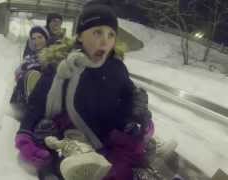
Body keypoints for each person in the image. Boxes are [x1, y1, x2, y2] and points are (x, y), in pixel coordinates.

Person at [14, 4, 154, 180]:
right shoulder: (61, 67)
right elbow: (36, 105)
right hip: (69, 139)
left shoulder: (116, 68)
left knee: (121, 168)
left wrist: (138, 112)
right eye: (97, 32)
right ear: (80, 35)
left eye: (111, 35)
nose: (105, 41)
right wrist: (25, 135)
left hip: (106, 138)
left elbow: (125, 101)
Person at [10, 25, 50, 119]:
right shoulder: (30, 58)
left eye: (40, 37)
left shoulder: (52, 56)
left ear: (46, 38)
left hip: (44, 102)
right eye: (33, 38)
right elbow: (17, 76)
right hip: (25, 102)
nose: (37, 41)